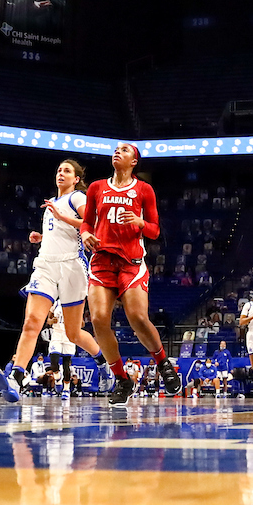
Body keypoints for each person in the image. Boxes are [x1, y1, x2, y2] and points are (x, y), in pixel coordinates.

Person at [0, 160, 110, 402]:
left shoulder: (78, 198)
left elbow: (96, 225)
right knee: (32, 322)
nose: (61, 173)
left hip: (72, 266)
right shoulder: (50, 205)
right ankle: (16, 377)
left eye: (67, 171)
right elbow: (59, 234)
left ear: (76, 178)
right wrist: (41, 237)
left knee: (74, 333)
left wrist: (62, 217)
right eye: (58, 170)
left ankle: (102, 362)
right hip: (46, 264)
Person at [80, 143, 180, 406]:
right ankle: (122, 379)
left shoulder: (144, 190)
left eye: (124, 150)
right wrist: (86, 234)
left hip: (131, 262)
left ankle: (162, 362)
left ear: (134, 161)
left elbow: (155, 230)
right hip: (102, 260)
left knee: (136, 317)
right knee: (99, 320)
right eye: (115, 149)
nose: (117, 152)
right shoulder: (96, 187)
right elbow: (87, 221)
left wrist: (139, 222)